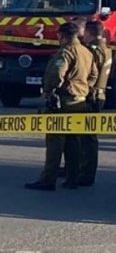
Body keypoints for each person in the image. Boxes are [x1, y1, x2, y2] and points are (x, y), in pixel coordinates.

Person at [25, 22, 96, 191]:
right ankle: (72, 178)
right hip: (80, 101)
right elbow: (93, 75)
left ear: (61, 36)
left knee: (55, 141)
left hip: (63, 102)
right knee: (73, 142)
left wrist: (49, 90)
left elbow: (56, 74)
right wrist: (84, 88)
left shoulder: (66, 52)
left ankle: (48, 180)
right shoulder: (87, 52)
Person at [78, 21, 111, 186]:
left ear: (89, 32)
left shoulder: (93, 50)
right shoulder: (106, 48)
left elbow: (90, 73)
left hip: (92, 95)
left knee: (87, 138)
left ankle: (86, 173)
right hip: (100, 93)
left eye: (84, 32)